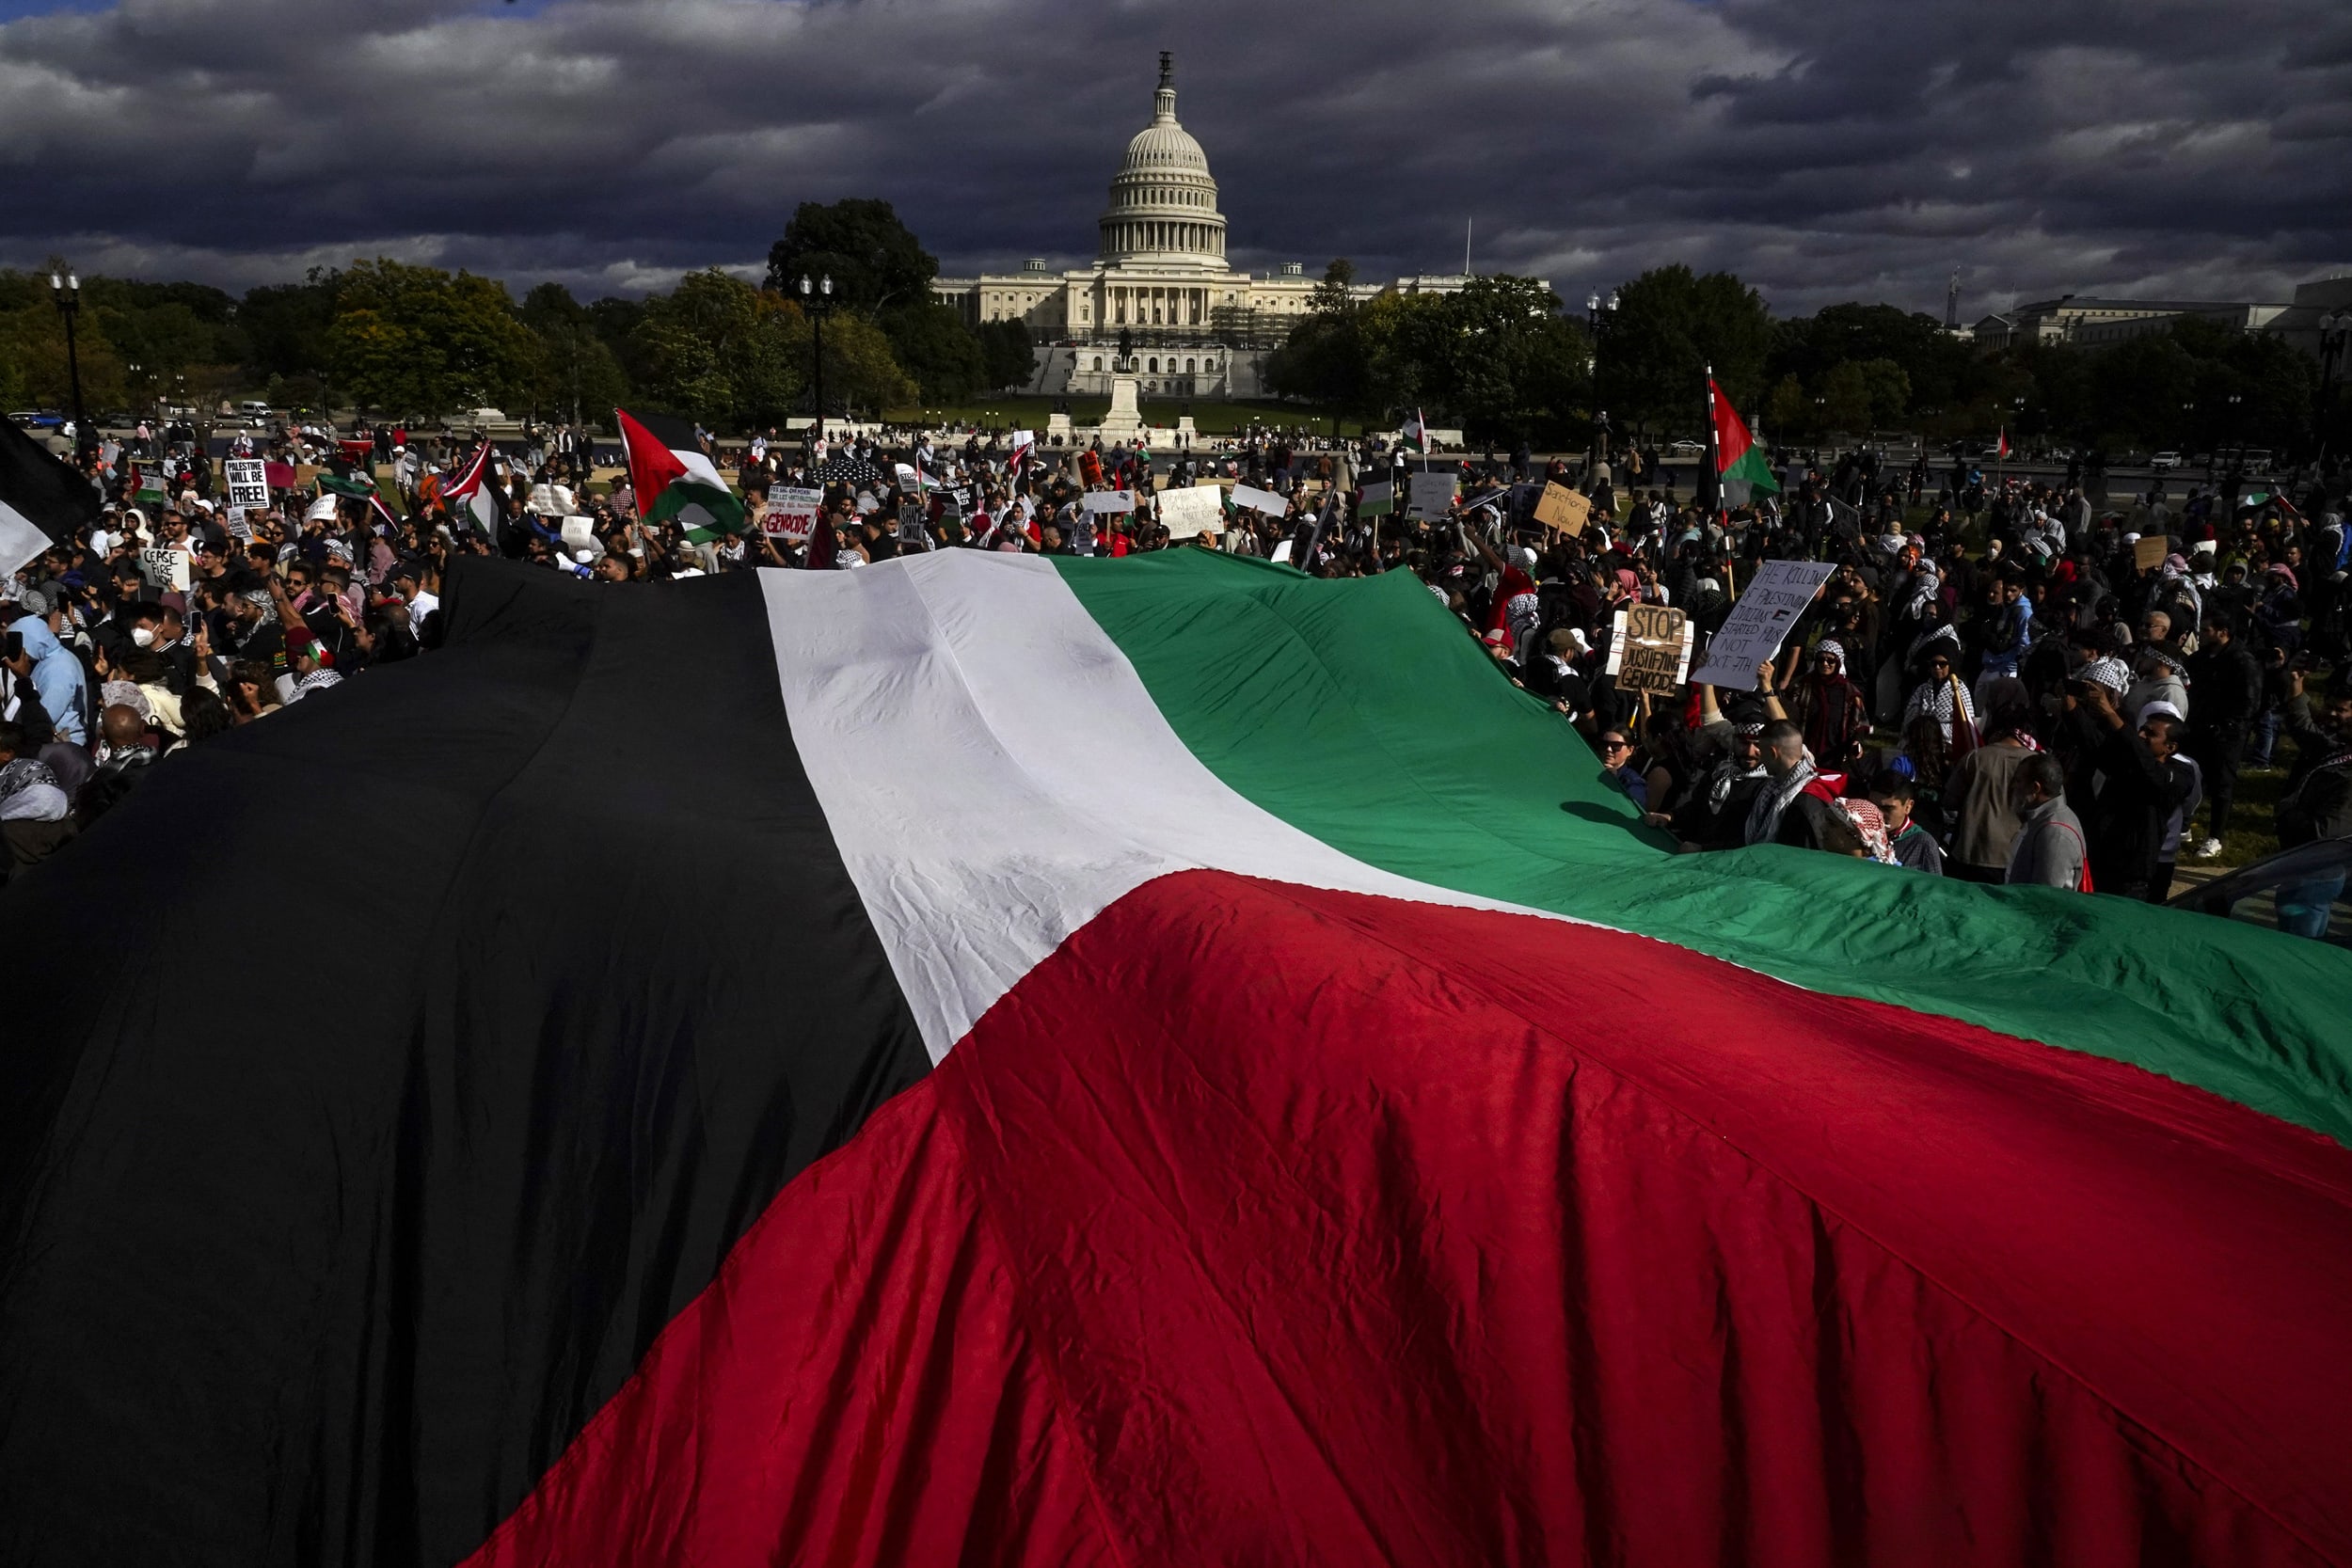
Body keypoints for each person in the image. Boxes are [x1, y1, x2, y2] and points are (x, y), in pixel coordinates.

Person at [2059, 657, 2181, 902]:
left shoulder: (2176, 776)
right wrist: (2071, 708)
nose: (2141, 734)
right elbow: (2096, 747)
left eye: (2150, 733)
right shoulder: (2127, 764)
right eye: (2142, 729)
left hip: (2131, 877)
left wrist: (2110, 714)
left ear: (2170, 747)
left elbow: (2148, 769)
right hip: (2102, 861)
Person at [2185, 611, 2261, 858]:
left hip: (2226, 735)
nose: (2201, 634)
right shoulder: (2201, 658)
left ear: (2223, 632)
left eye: (2206, 630)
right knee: (2192, 776)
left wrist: (2228, 728)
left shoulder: (2242, 661)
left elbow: (2250, 702)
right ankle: (2184, 825)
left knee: (2222, 785)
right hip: (2199, 727)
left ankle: (2215, 836)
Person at [1745, 721, 1845, 851]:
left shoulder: (1806, 801)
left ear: (1773, 753)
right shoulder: (1775, 788)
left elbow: (1805, 853)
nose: (1761, 760)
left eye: (1762, 753)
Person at [2004, 752, 2089, 891]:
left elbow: (2044, 895)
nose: (2014, 786)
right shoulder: (2040, 819)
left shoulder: (2056, 833)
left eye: (2019, 781)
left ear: (2035, 788)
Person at [1866, 769, 1945, 874]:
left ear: (1908, 806)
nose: (1878, 814)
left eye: (1887, 808)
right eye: (1872, 806)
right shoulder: (1857, 832)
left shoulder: (1923, 844)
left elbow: (1933, 883)